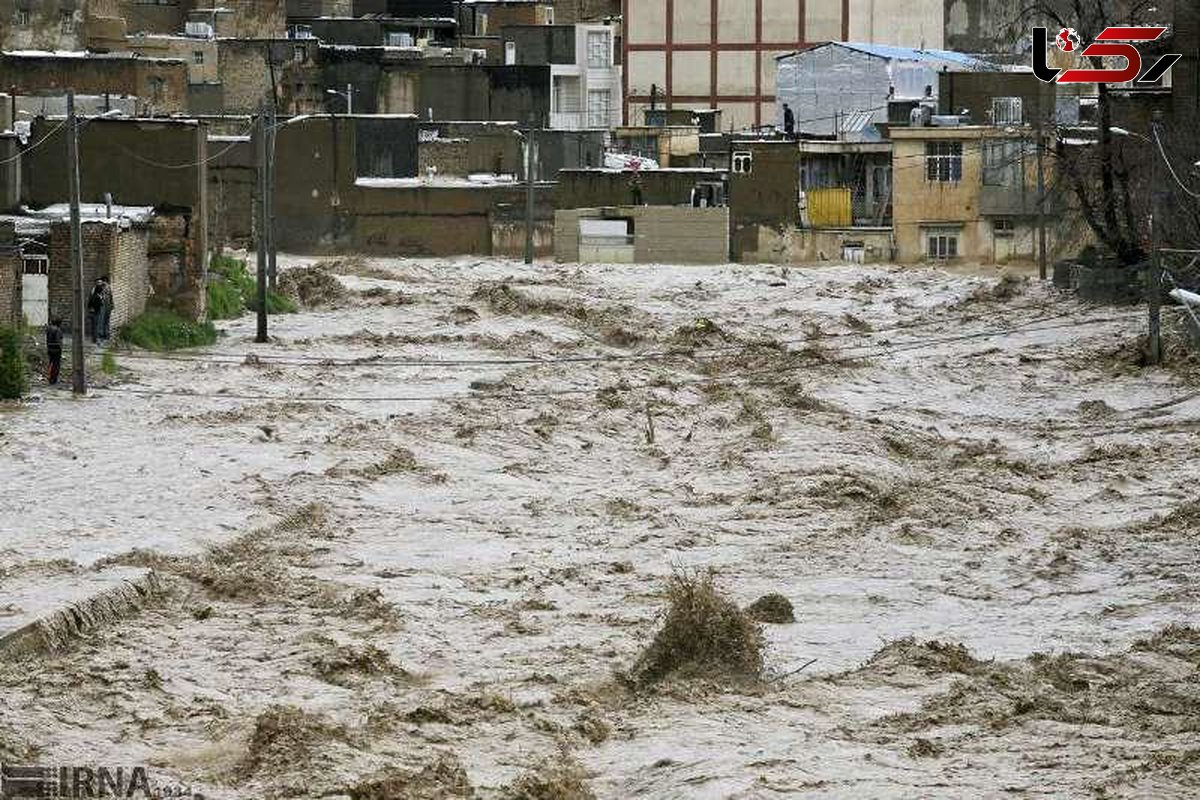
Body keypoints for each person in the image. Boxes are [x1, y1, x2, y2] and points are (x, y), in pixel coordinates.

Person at [87, 278, 105, 344]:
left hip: (93, 311)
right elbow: (99, 304)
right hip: (96, 312)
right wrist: (101, 300)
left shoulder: (94, 295)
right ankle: (95, 339)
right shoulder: (97, 297)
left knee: (94, 326)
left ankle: (94, 338)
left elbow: (89, 303)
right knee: (96, 326)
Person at [46, 318, 63, 385]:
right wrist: (60, 347)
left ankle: (50, 378)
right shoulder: (58, 330)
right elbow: (58, 340)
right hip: (56, 349)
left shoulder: (49, 329)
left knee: (51, 363)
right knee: (56, 365)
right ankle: (54, 379)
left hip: (50, 348)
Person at [99, 276, 113, 341]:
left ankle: (104, 334)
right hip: (105, 306)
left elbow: (110, 297)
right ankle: (105, 334)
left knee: (104, 320)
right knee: (104, 321)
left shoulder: (105, 287)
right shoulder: (108, 287)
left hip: (105, 306)